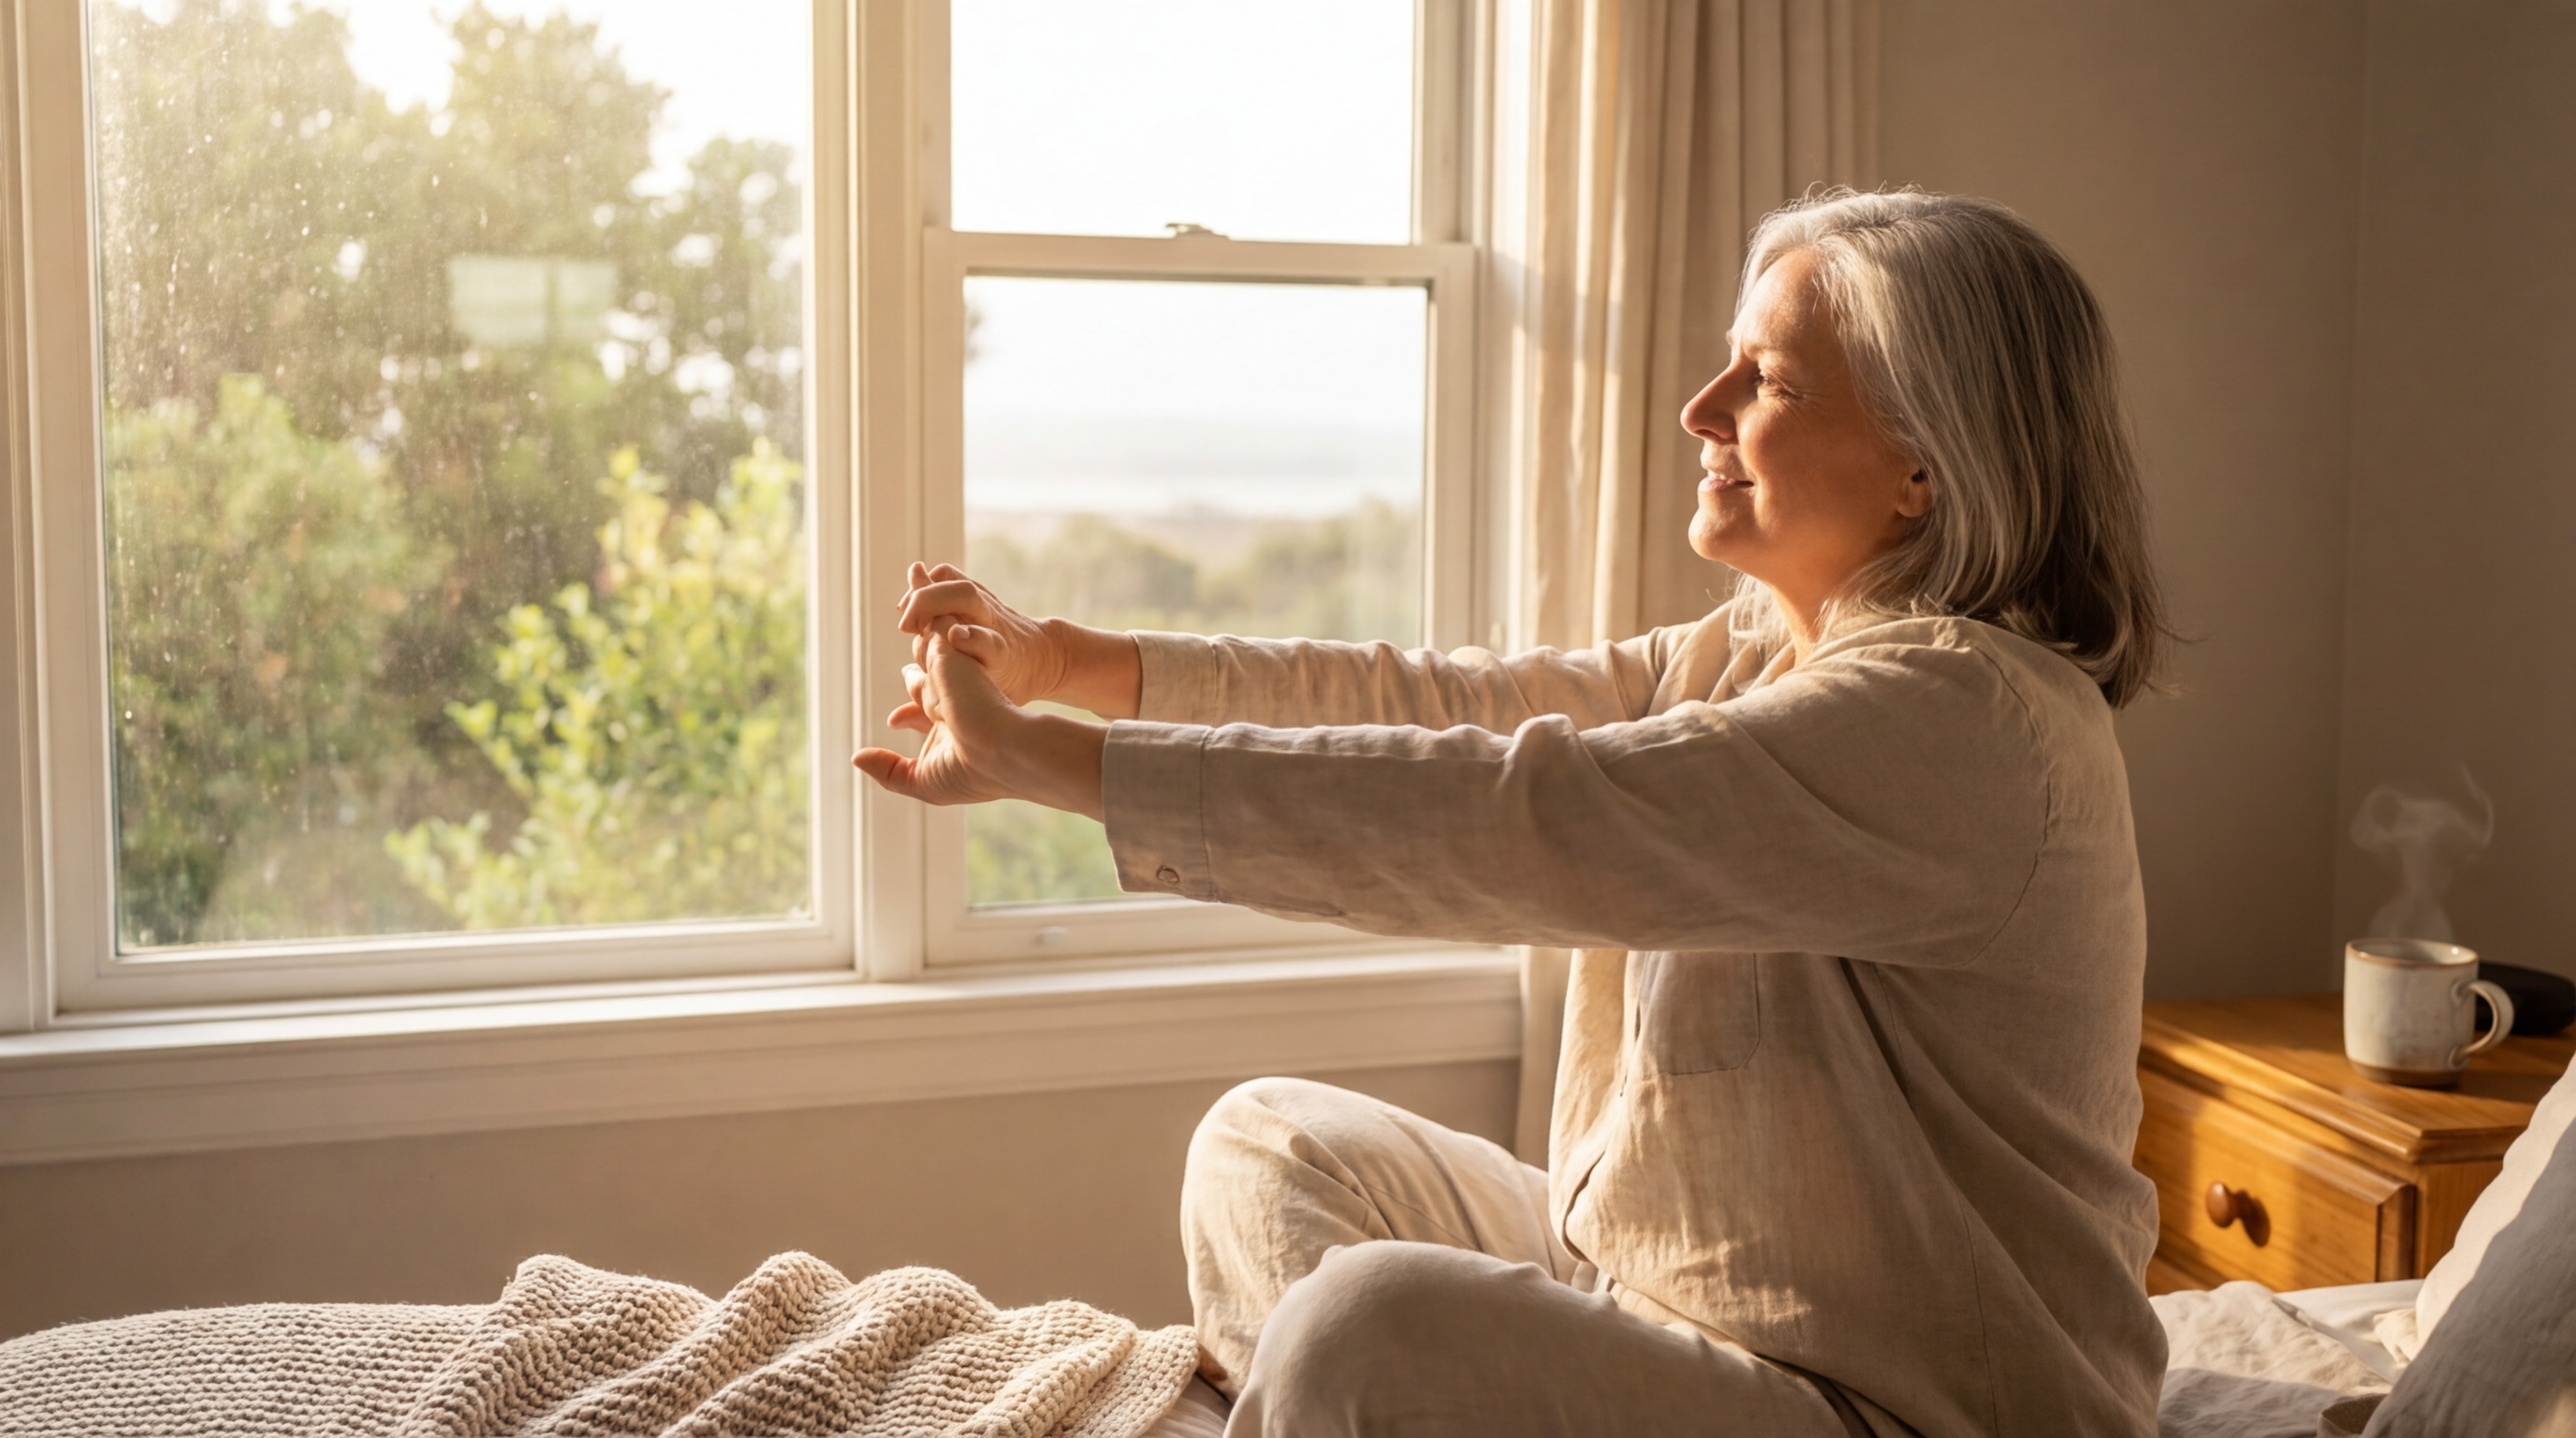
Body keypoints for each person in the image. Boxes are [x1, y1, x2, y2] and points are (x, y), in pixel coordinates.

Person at [856, 188, 2171, 1438]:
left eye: (1767, 382)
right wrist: (1076, 670)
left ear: (1922, 471)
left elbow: (1521, 817)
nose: (1699, 408)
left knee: (1362, 1331)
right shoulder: (1755, 655)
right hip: (1663, 1296)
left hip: (1902, 1404)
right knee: (1273, 1141)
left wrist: (1058, 766)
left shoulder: (1965, 717)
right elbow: (1447, 707)